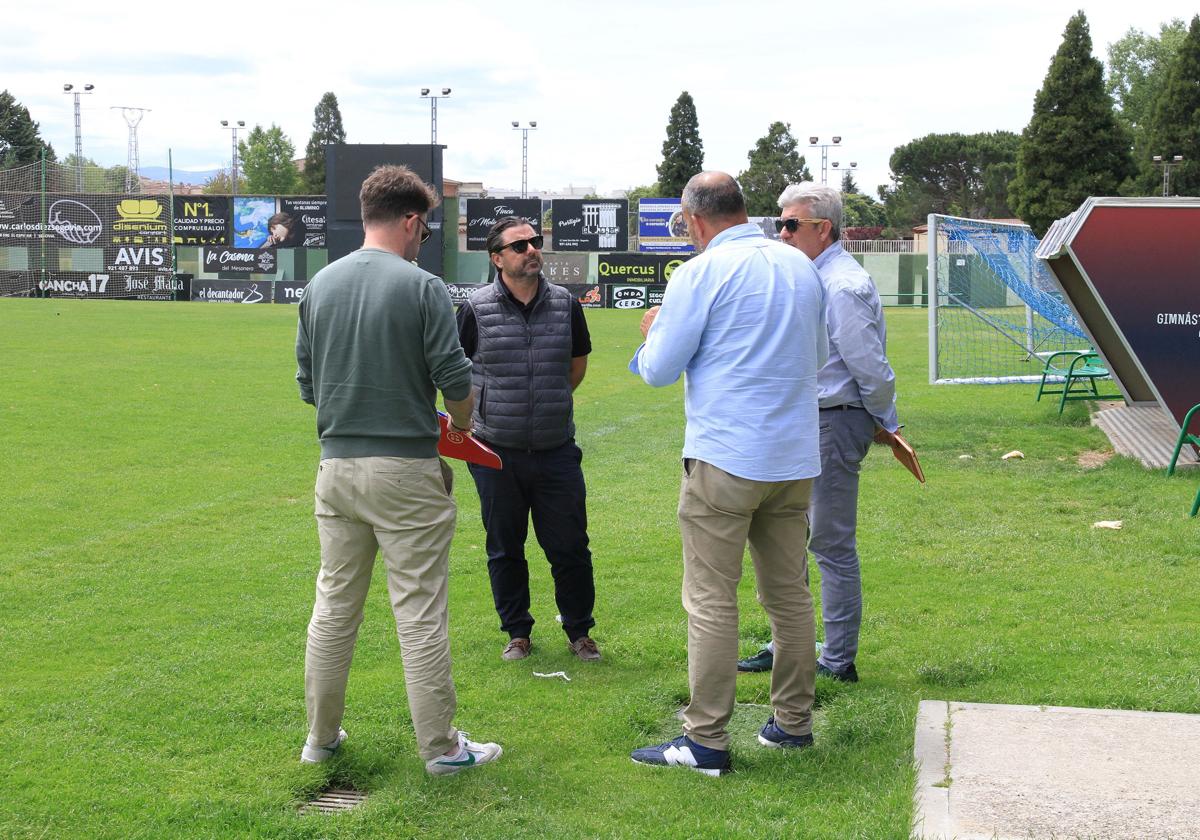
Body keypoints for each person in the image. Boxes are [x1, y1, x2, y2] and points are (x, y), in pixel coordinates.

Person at [295, 164, 501, 775]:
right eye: (425, 229)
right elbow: (456, 380)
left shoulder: (319, 286)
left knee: (334, 606)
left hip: (336, 469)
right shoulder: (421, 285)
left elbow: (309, 387)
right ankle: (441, 750)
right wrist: (460, 424)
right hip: (406, 470)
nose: (423, 239)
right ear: (411, 220)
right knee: (418, 612)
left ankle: (320, 738)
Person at [628, 172, 828, 776]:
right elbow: (818, 356)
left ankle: (706, 738)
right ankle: (793, 724)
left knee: (713, 599)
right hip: (792, 458)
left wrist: (654, 334)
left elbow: (660, 369)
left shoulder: (698, 273)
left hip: (726, 457)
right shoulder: (799, 267)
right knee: (789, 594)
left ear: (694, 220)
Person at [737, 182, 900, 683]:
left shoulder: (841, 285)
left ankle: (836, 659)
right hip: (806, 420)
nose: (781, 234)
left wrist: (884, 420)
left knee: (829, 543)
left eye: (790, 225)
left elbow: (869, 366)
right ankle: (792, 642)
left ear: (821, 228)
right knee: (787, 538)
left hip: (833, 419)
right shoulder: (810, 277)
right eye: (778, 224)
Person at [455, 217, 600, 663]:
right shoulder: (475, 308)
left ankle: (580, 632)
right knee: (504, 547)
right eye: (519, 246)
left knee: (570, 547)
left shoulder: (565, 304)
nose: (532, 250)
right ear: (497, 259)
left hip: (556, 449)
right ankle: (517, 632)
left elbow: (576, 366)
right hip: (495, 451)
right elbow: (457, 372)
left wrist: (547, 404)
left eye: (535, 243)